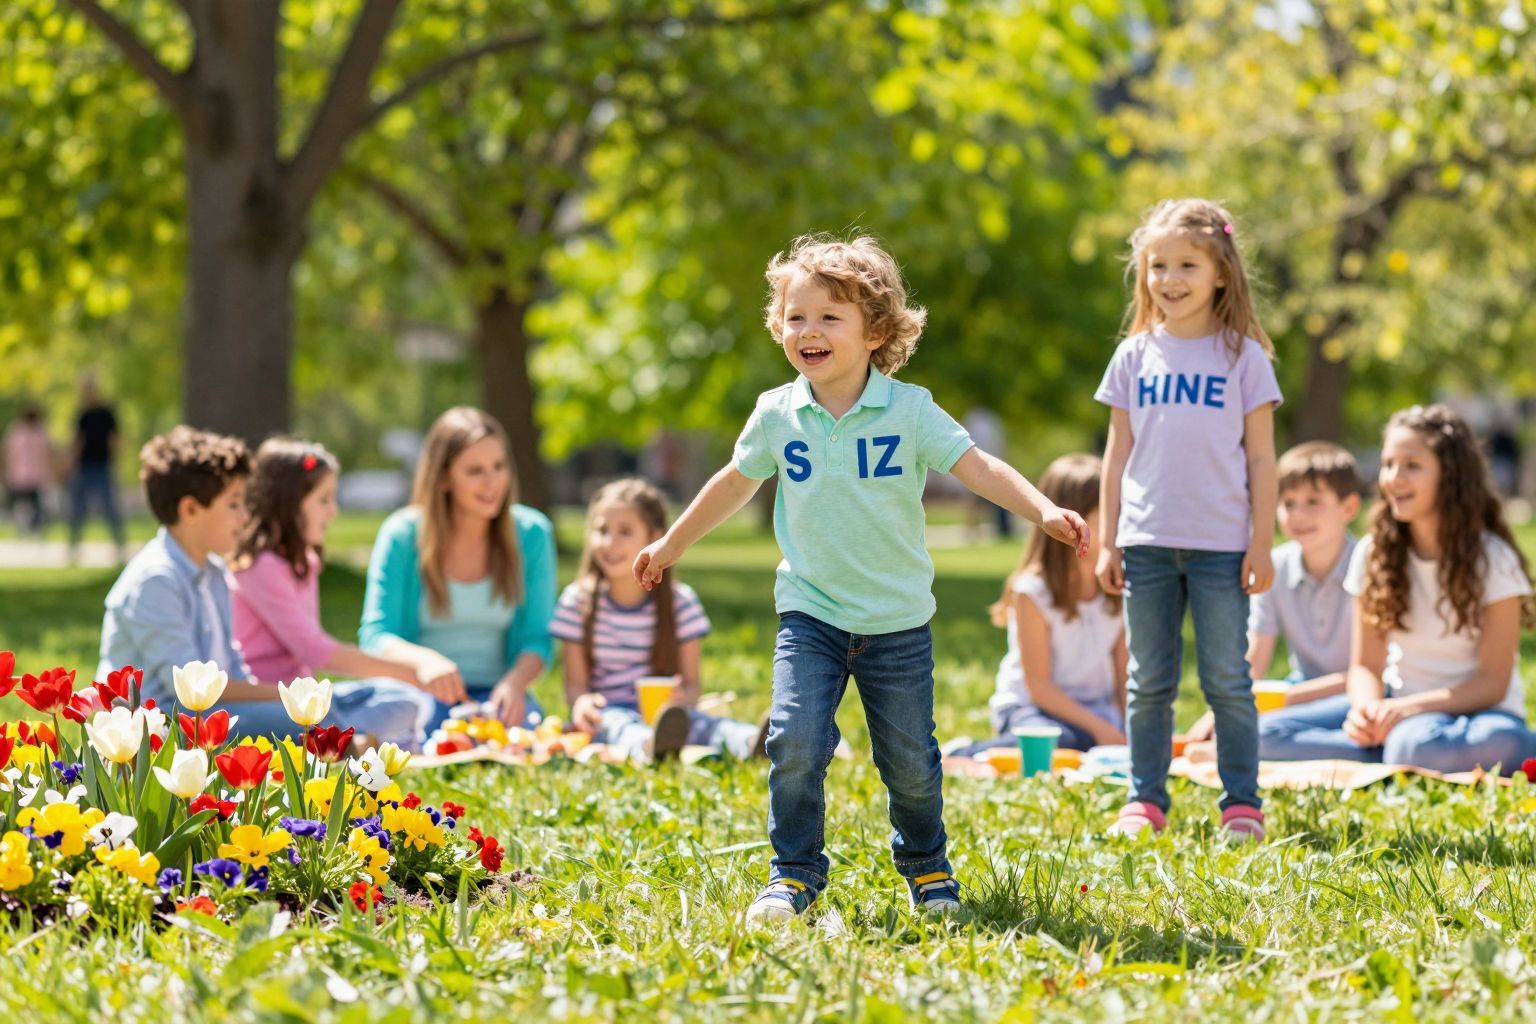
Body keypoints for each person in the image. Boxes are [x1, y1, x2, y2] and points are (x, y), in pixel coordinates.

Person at [632, 235, 1088, 923]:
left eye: (829, 317)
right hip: (810, 615)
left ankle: (928, 867)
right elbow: (733, 484)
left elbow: (977, 467)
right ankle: (793, 874)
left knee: (908, 761)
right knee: (793, 740)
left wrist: (1043, 509)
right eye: (795, 317)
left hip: (896, 622)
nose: (808, 331)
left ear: (876, 331)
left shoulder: (909, 411)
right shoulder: (776, 413)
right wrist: (670, 542)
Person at [1095, 199, 1281, 842]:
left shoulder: (1245, 358)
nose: (1169, 279)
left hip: (1222, 548)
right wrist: (1110, 539)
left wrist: (1261, 544)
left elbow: (1262, 458)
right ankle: (1144, 798)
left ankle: (1241, 804)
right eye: (1157, 266)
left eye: (1186, 265)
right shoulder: (1133, 356)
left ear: (1221, 273)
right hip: (1144, 544)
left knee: (1228, 678)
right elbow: (1116, 455)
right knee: (1148, 681)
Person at [98, 427, 424, 742]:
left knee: (388, 699)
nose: (244, 516)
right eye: (234, 504)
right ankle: (351, 744)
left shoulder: (213, 572)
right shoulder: (156, 580)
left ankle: (351, 740)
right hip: (170, 723)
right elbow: (188, 690)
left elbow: (235, 670)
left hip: (217, 712)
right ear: (191, 509)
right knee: (313, 719)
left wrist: (294, 698)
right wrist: (293, 698)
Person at [1255, 405, 1535, 772]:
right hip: (1401, 711)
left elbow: (1492, 683)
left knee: (1435, 742)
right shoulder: (1374, 554)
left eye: (1411, 466)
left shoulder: (1492, 559)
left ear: (1450, 474)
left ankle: (1393, 756)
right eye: (1388, 464)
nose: (1393, 477)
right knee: (1261, 733)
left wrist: (1406, 710)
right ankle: (1392, 754)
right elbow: (1366, 667)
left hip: (1482, 716)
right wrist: (1367, 711)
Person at [230, 438, 440, 747]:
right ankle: (346, 744)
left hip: (310, 698)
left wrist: (403, 679)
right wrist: (412, 671)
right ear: (289, 503)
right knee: (325, 720)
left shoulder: (304, 562)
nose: (334, 511)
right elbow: (315, 650)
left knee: (403, 700)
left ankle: (350, 741)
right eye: (324, 500)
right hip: (271, 701)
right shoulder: (260, 567)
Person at [359, 407, 557, 730]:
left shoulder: (532, 534)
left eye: (499, 466)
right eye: (475, 470)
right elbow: (376, 635)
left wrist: (515, 684)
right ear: (444, 478)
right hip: (418, 695)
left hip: (497, 696)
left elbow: (537, 638)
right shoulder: (402, 535)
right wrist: (425, 661)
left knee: (531, 739)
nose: (492, 482)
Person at [551, 478, 766, 763]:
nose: (609, 543)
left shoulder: (680, 603)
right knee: (618, 724)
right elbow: (575, 686)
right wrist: (582, 703)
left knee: (705, 723)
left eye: (625, 532)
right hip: (608, 712)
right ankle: (649, 747)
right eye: (602, 530)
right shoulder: (577, 602)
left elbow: (692, 686)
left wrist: (682, 700)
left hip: (667, 715)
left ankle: (753, 743)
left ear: (655, 537)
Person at [1185, 442, 1361, 750]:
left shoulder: (1368, 564)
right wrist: (1218, 714)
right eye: (1289, 503)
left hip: (1360, 695)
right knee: (1237, 730)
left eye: (1313, 501)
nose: (1298, 515)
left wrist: (1288, 699)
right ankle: (1344, 748)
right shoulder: (1276, 566)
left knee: (1263, 735)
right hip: (1302, 690)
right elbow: (1256, 657)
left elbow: (1372, 672)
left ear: (1349, 508)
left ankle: (1367, 750)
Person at [949, 453, 1126, 757]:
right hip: (1031, 709)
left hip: (1095, 710)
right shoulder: (1033, 591)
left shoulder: (1117, 583)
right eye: (1109, 513)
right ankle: (966, 754)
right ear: (1075, 521)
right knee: (1061, 741)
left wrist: (1128, 728)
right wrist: (1100, 730)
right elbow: (1038, 687)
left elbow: (1124, 676)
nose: (1120, 523)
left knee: (1099, 741)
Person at [68, 373, 126, 562]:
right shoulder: (82, 415)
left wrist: (117, 462)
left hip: (103, 465)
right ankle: (74, 547)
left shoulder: (106, 413)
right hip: (84, 467)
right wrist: (70, 464)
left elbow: (115, 439)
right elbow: (78, 441)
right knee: (78, 509)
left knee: (110, 508)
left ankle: (119, 546)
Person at [3, 402, 53, 535]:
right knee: (23, 505)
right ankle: (25, 527)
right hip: (22, 476)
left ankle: (30, 527)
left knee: (33, 506)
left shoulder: (35, 432)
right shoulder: (19, 432)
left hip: (30, 477)